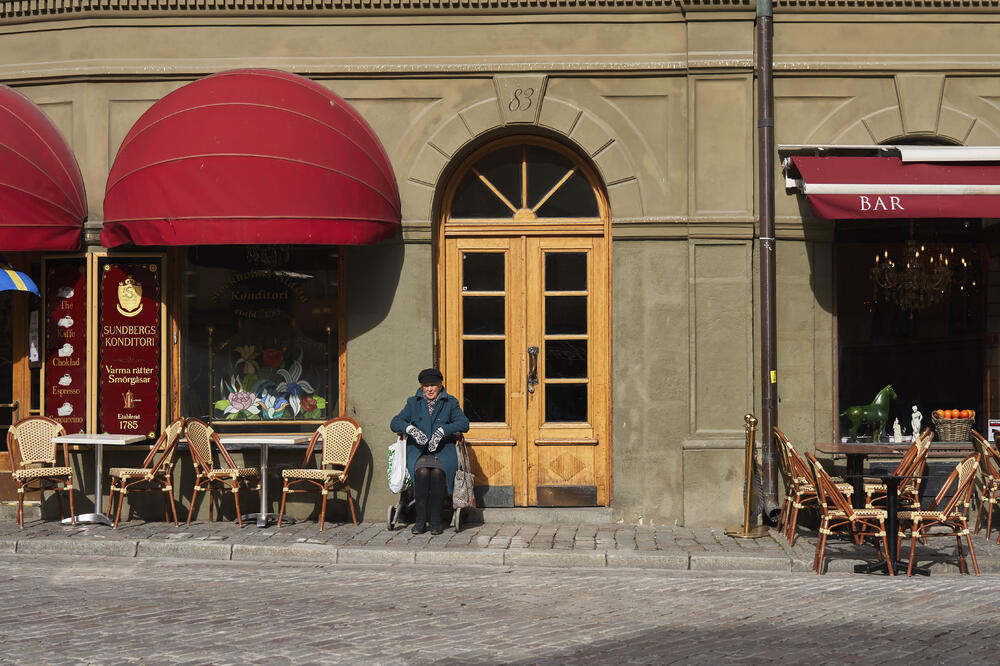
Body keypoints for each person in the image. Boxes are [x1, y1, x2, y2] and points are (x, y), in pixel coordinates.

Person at [390, 368, 470, 535]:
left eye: (433, 385)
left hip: (443, 451)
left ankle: (435, 521)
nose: (429, 389)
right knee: (423, 472)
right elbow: (395, 422)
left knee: (437, 474)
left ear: (440, 386)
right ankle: (420, 521)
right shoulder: (413, 402)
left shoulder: (450, 402)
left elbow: (464, 424)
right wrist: (411, 429)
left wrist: (443, 431)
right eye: (426, 386)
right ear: (422, 387)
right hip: (419, 452)